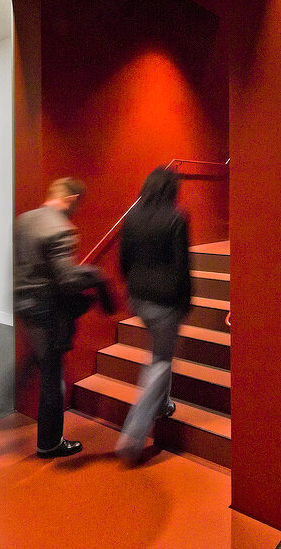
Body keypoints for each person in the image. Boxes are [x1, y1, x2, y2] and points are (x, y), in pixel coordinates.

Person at [14, 177, 109, 458]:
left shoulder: (24, 220)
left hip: (22, 303)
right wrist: (95, 277)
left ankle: (8, 396)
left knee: (39, 360)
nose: (77, 210)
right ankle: (50, 442)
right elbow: (66, 279)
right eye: (78, 203)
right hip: (45, 309)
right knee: (53, 376)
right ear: (71, 198)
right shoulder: (61, 229)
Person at [115, 167, 192, 462]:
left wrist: (134, 286)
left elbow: (123, 261)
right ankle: (134, 434)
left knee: (161, 352)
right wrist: (186, 301)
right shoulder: (176, 218)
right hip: (165, 301)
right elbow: (181, 266)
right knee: (160, 361)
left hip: (139, 298)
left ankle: (162, 405)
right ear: (171, 190)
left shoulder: (131, 217)